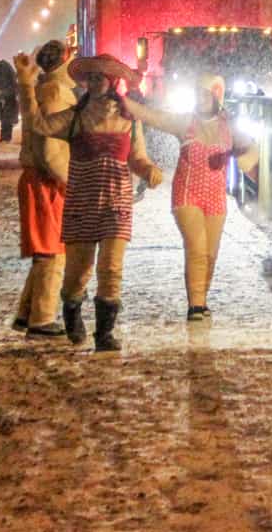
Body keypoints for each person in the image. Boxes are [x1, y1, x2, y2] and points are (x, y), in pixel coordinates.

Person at [14, 51, 162, 352]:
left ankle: (104, 334)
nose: (95, 82)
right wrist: (26, 85)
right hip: (82, 200)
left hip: (117, 202)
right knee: (78, 273)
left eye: (100, 77)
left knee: (111, 269)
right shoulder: (75, 117)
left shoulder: (129, 119)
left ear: (112, 81)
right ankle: (72, 313)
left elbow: (138, 157)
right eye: (91, 77)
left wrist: (149, 170)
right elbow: (39, 125)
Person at [135, 75, 256, 321]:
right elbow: (153, 117)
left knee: (210, 253)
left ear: (216, 97)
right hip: (187, 194)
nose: (200, 99)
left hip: (216, 198)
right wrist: (124, 102)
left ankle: (202, 297)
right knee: (197, 249)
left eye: (205, 94)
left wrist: (236, 154)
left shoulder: (229, 125)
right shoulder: (184, 122)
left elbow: (251, 151)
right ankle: (195, 305)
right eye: (197, 94)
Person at [13, 41, 71, 338]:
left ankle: (28, 312)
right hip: (48, 180)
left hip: (37, 177)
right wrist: (67, 178)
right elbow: (51, 146)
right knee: (53, 250)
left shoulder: (43, 88)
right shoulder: (57, 93)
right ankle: (42, 318)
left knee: (44, 251)